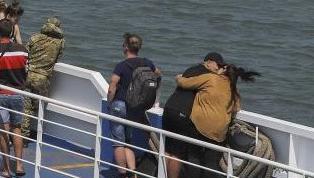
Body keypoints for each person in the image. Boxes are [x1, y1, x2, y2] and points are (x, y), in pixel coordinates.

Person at [164, 53, 260, 178]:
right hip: (219, 134)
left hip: (199, 128)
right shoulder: (233, 90)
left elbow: (184, 83)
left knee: (193, 158)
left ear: (223, 71)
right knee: (211, 163)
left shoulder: (211, 78)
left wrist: (178, 78)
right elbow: (236, 107)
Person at [107, 33, 161, 178]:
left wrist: (109, 103)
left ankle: (123, 175)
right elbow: (158, 74)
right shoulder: (147, 63)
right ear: (139, 47)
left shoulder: (122, 66)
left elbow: (113, 85)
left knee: (118, 143)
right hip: (135, 108)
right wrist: (154, 96)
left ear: (125, 48)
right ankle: (133, 173)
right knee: (128, 140)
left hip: (120, 105)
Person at [0, 19, 28, 178]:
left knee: (3, 131)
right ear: (11, 32)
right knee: (17, 129)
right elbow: (25, 72)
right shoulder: (23, 50)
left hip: (0, 94)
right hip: (18, 94)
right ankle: (20, 166)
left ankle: (6, 169)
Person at [21, 17, 65, 138]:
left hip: (28, 75)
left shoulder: (34, 38)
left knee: (25, 106)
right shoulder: (60, 42)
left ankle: (23, 132)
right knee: (38, 107)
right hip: (42, 78)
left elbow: (25, 54)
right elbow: (57, 58)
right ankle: (34, 133)